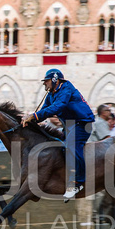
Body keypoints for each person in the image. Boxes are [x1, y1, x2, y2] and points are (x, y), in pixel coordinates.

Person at [22, 68, 95, 200]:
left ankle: (78, 182)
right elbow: (45, 110)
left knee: (71, 147)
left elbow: (58, 107)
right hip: (70, 126)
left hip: (83, 123)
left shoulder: (66, 89)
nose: (44, 84)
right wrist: (31, 120)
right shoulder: (51, 94)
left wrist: (34, 115)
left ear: (55, 79)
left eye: (46, 81)